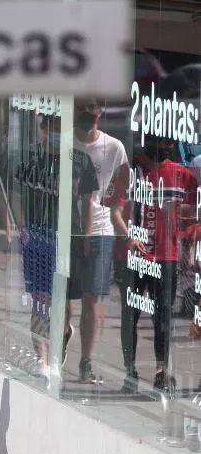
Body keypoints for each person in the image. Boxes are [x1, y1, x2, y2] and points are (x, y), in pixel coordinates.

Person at [13, 114, 99, 380]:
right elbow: (17, 194)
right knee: (41, 300)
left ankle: (62, 334)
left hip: (68, 240)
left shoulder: (80, 161)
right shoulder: (29, 158)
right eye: (47, 125)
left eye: (57, 126)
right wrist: (22, 229)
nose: (51, 130)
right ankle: (42, 358)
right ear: (41, 128)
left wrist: (86, 237)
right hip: (38, 237)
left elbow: (87, 203)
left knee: (62, 301)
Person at [110, 134, 197, 393]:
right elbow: (115, 210)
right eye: (159, 141)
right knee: (130, 316)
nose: (164, 147)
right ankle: (130, 371)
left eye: (169, 143)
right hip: (135, 257)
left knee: (163, 317)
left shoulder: (183, 176)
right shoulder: (131, 171)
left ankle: (162, 371)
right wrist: (128, 238)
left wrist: (189, 246)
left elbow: (193, 216)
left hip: (167, 257)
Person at [70, 99, 128, 383]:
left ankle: (86, 361)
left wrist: (120, 223)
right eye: (82, 112)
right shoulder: (64, 142)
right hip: (68, 227)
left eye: (91, 115)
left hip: (101, 229)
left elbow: (123, 187)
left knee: (91, 298)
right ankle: (64, 332)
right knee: (68, 299)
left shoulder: (114, 148)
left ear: (99, 115)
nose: (87, 119)